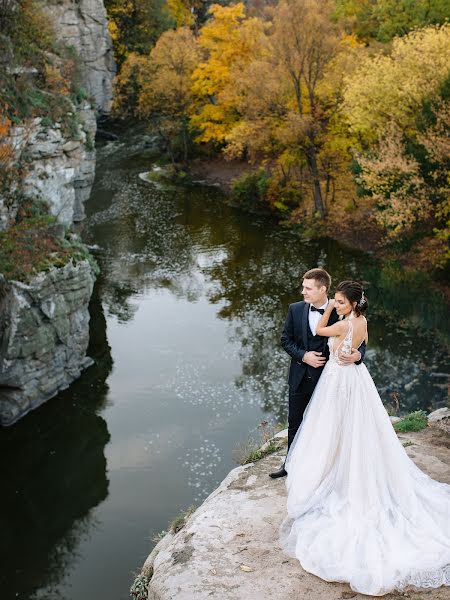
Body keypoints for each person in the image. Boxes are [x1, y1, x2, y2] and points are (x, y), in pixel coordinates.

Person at [279, 280, 450, 596]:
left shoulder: (343, 323)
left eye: (342, 301)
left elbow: (319, 332)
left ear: (352, 304)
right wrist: (355, 352)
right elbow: (359, 347)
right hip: (356, 380)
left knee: (340, 429)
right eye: (337, 301)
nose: (338, 305)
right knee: (355, 429)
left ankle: (339, 474)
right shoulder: (363, 321)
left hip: (339, 381)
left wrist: (329, 306)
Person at [269, 268, 365, 479]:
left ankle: (323, 469)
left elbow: (359, 338)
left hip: (329, 380)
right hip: (299, 377)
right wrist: (304, 356)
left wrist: (358, 356)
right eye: (304, 287)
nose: (303, 292)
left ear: (323, 289)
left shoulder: (341, 309)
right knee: (294, 422)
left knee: (326, 425)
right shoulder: (295, 309)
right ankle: (290, 465)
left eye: (308, 288)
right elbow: (286, 340)